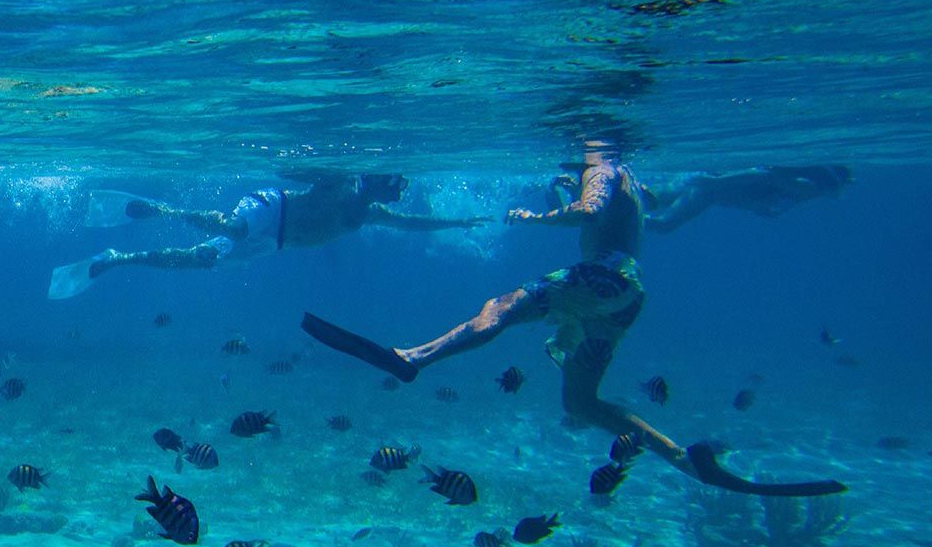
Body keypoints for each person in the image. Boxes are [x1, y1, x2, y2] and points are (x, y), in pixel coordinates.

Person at [300, 143, 844, 498]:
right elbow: (662, 207)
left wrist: (539, 216)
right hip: (625, 296)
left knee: (504, 307)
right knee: (581, 402)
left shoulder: (602, 168)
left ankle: (413, 358)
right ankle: (684, 460)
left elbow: (589, 209)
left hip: (601, 277)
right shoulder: (631, 178)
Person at [47, 174, 478, 299]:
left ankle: (117, 258)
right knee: (232, 226)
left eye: (400, 187)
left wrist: (457, 225)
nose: (395, 190)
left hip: (273, 243)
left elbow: (415, 223)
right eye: (393, 181)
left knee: (199, 260)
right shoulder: (341, 183)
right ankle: (165, 210)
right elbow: (293, 170)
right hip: (273, 207)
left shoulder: (372, 215)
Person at [640, 165, 851, 232]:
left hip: (707, 183)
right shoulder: (808, 188)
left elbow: (767, 182)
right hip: (709, 189)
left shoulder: (807, 193)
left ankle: (613, 208)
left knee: (644, 200)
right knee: (662, 224)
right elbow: (764, 174)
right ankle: (613, 219)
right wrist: (718, 183)